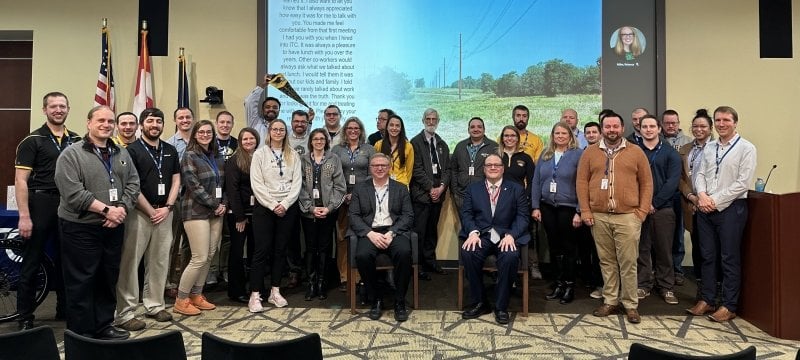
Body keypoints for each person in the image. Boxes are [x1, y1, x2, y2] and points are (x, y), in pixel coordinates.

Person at [55, 105, 140, 339]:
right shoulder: (71, 154)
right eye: (100, 120)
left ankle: (104, 325)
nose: (106, 124)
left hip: (113, 228)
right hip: (80, 228)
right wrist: (107, 211)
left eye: (110, 121)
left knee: (107, 278)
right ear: (89, 123)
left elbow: (133, 184)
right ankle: (81, 333)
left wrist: (121, 209)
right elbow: (73, 193)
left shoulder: (121, 154)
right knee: (82, 281)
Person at [576, 111, 653, 324]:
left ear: (622, 128)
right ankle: (610, 300)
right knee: (606, 261)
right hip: (599, 216)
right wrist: (585, 211)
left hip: (628, 216)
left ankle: (630, 304)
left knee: (628, 262)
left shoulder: (636, 152)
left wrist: (641, 212)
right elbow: (581, 182)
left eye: (615, 127)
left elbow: (647, 183)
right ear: (602, 130)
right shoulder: (590, 152)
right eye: (607, 127)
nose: (611, 130)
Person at [14, 91, 80, 331]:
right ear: (45, 110)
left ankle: (64, 310)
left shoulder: (76, 139)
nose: (58, 110)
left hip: (69, 205)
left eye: (62, 106)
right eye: (53, 106)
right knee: (32, 262)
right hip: (41, 203)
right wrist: (24, 216)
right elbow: (21, 181)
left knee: (68, 261)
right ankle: (25, 316)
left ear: (68, 109)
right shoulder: (32, 140)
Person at [687, 106, 756, 323]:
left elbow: (742, 183)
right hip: (706, 208)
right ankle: (707, 299)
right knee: (707, 257)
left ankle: (729, 305)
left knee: (729, 258)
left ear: (735, 122)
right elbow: (699, 174)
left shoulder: (746, 148)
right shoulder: (709, 148)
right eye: (718, 120)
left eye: (726, 120)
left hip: (731, 209)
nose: (721, 124)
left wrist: (714, 201)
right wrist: (702, 195)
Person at [114, 108, 180, 331]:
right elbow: (132, 184)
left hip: (165, 213)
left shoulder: (170, 150)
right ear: (142, 124)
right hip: (139, 213)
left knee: (160, 261)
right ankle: (125, 312)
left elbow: (176, 179)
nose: (155, 124)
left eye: (158, 121)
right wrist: (151, 210)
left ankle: (155, 305)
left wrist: (168, 207)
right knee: (131, 262)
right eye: (150, 121)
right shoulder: (130, 151)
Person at [460, 154, 530, 325]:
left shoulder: (516, 189)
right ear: (483, 169)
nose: (493, 168)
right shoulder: (473, 189)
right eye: (489, 165)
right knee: (468, 252)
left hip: (506, 235)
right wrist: (473, 232)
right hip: (482, 235)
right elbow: (467, 214)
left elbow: (523, 217)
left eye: (496, 165)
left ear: (503, 168)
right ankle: (480, 302)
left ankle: (501, 306)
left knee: (511, 256)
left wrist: (512, 235)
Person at [349, 153, 415, 322]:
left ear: (389, 168)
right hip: (369, 231)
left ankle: (399, 301)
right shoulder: (360, 188)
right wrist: (370, 234)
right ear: (370, 168)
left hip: (393, 231)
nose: (379, 168)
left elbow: (408, 216)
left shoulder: (400, 188)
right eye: (375, 165)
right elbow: (354, 216)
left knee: (404, 252)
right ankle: (375, 299)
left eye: (383, 165)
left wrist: (392, 232)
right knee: (362, 256)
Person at [173, 120, 226, 316]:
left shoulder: (217, 156)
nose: (205, 135)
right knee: (199, 257)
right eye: (201, 132)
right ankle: (181, 299)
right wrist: (215, 204)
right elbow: (194, 186)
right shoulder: (189, 156)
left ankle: (196, 295)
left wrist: (223, 205)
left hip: (216, 211)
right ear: (195, 135)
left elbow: (225, 184)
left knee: (209, 256)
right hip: (195, 211)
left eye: (208, 132)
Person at [248, 119, 302, 311]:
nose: (278, 132)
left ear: (285, 133)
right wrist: (272, 205)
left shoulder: (293, 154)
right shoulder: (259, 155)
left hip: (287, 208)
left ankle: (275, 291)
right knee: (261, 252)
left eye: (281, 129)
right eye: (275, 129)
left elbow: (297, 183)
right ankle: (255, 295)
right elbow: (257, 183)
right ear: (269, 132)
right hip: (265, 208)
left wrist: (285, 204)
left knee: (280, 251)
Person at [531, 122, 583, 304]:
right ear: (552, 135)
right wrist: (535, 206)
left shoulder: (579, 154)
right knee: (554, 247)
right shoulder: (546, 155)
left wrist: (579, 210)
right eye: (557, 133)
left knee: (569, 248)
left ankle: (569, 286)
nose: (560, 136)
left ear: (570, 135)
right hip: (547, 207)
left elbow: (583, 184)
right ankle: (558, 284)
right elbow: (536, 182)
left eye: (564, 133)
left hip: (568, 208)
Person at [635, 115, 681, 305]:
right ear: (640, 129)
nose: (648, 129)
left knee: (664, 249)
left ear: (659, 129)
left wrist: (654, 203)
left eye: (652, 126)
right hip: (639, 209)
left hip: (663, 209)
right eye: (644, 126)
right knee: (642, 248)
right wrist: (644, 204)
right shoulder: (635, 152)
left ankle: (666, 287)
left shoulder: (671, 153)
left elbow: (672, 182)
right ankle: (643, 284)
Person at [298, 129, 346, 301]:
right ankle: (311, 284)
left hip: (327, 212)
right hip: (308, 212)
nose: (318, 141)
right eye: (315, 139)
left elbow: (340, 186)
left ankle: (321, 283)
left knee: (325, 247)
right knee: (311, 247)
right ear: (310, 141)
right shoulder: (302, 160)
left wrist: (329, 207)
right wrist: (311, 208)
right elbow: (299, 186)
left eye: (321, 139)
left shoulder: (334, 159)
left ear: (326, 141)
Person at [331, 117, 376, 291]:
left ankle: (360, 276)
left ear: (361, 130)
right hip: (341, 200)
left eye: (356, 128)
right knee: (343, 237)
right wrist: (344, 194)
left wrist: (356, 194)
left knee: (362, 237)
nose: (353, 131)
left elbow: (373, 173)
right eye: (349, 128)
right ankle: (344, 277)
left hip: (364, 200)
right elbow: (334, 174)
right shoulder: (336, 149)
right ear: (345, 130)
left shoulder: (369, 149)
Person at [409, 108, 450, 280]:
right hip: (421, 195)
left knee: (432, 230)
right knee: (419, 231)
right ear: (423, 120)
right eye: (428, 118)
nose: (431, 122)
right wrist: (430, 188)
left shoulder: (442, 143)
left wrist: (441, 188)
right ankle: (417, 265)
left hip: (438, 195)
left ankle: (430, 261)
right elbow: (416, 169)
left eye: (434, 119)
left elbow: (447, 169)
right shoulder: (415, 142)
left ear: (438, 121)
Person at [678, 109, 713, 299]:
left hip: (712, 204)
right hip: (691, 204)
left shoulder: (717, 148)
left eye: (703, 126)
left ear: (710, 128)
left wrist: (705, 198)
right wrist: (691, 196)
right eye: (696, 126)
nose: (698, 129)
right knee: (699, 247)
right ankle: (701, 288)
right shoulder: (685, 149)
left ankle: (715, 288)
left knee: (711, 250)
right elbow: (681, 178)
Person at [224, 127, 260, 303]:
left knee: (255, 251)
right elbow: (232, 190)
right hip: (238, 214)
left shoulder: (260, 158)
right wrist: (239, 217)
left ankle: (254, 287)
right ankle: (236, 290)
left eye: (251, 139)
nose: (248, 142)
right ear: (240, 141)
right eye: (245, 139)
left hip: (257, 213)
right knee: (238, 253)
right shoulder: (234, 160)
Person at [165, 107, 195, 298]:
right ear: (175, 120)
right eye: (181, 117)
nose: (185, 120)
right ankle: (168, 283)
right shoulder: (169, 145)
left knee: (190, 244)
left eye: (188, 117)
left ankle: (186, 281)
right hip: (176, 198)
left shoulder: (199, 141)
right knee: (172, 242)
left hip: (195, 199)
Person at [661, 109, 693, 285]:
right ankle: (660, 270)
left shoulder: (688, 143)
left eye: (674, 123)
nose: (671, 126)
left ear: (679, 123)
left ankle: (677, 270)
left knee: (678, 234)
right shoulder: (656, 140)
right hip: (660, 194)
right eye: (667, 123)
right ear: (662, 124)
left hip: (679, 194)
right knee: (659, 235)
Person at [208, 111, 238, 286]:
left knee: (227, 236)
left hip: (231, 196)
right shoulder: (209, 143)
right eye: (222, 122)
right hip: (211, 196)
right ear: (217, 123)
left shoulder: (237, 143)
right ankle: (211, 271)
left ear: (232, 124)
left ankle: (225, 268)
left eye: (228, 122)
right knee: (212, 238)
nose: (225, 125)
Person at [450, 117, 499, 210]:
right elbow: (453, 169)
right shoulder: (460, 146)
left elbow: (498, 172)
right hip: (462, 196)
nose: (476, 129)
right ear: (468, 130)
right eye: (472, 127)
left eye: (479, 127)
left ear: (484, 130)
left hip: (485, 196)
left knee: (484, 224)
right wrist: (455, 190)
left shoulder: (494, 147)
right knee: (465, 223)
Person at [374, 114, 414, 186]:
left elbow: (409, 170)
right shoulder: (378, 145)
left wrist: (405, 185)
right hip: (383, 184)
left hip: (402, 185)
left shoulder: (408, 146)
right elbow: (375, 166)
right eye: (391, 125)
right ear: (387, 127)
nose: (394, 128)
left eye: (397, 126)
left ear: (401, 128)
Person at [244, 74, 281, 143]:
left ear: (279, 110)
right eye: (267, 107)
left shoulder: (283, 128)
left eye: (275, 107)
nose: (271, 109)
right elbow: (249, 102)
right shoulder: (255, 123)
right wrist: (264, 85)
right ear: (262, 110)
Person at [498, 126, 534, 191]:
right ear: (502, 138)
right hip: (497, 197)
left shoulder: (526, 158)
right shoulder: (496, 156)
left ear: (517, 138)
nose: (509, 138)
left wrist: (525, 197)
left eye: (513, 135)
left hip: (518, 197)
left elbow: (531, 182)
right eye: (506, 136)